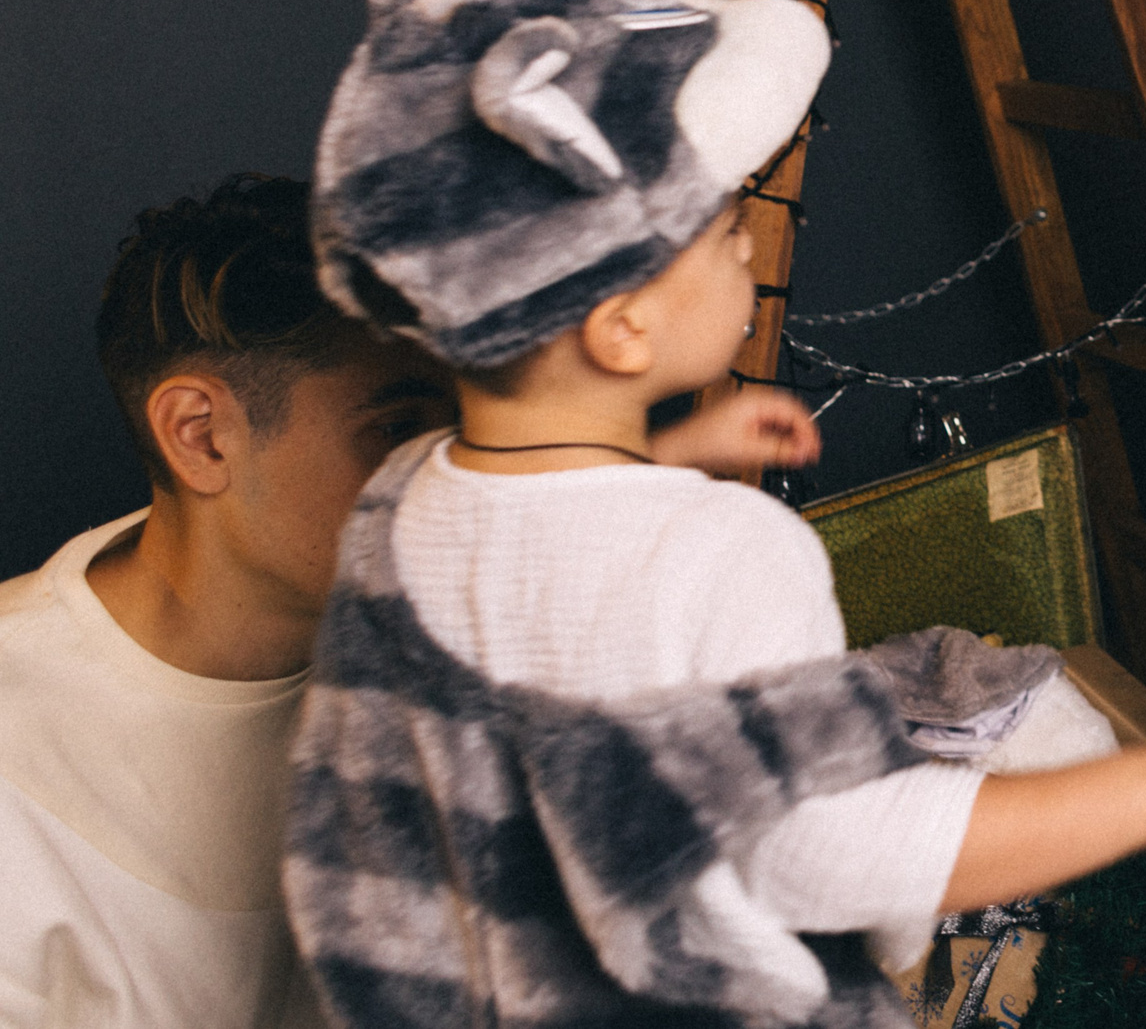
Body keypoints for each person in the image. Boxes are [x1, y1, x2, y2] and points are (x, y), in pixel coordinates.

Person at [286, 0, 1146, 1028]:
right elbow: (830, 850)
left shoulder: (397, 502)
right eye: (724, 229)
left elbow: (535, 585)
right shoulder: (726, 550)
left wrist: (660, 455)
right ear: (621, 329)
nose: (749, 241)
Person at [0, 174, 875, 1027]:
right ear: (201, 436)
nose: (458, 473)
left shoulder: (451, 597)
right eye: (395, 431)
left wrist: (658, 459)